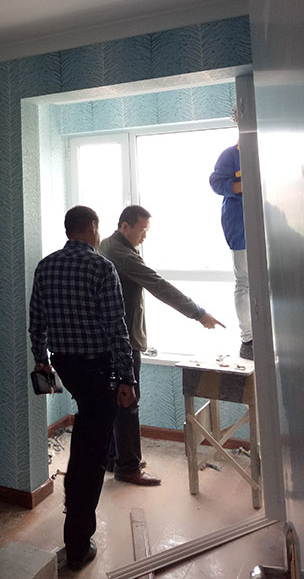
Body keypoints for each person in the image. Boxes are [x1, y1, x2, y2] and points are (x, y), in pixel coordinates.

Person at [29, 205, 136, 572]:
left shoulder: (46, 266)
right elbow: (116, 327)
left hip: (65, 365)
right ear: (92, 227)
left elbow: (37, 321)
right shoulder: (101, 268)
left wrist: (41, 360)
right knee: (91, 453)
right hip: (98, 368)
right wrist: (127, 378)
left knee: (87, 436)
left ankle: (73, 503)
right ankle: (77, 543)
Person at [99, 205, 223, 486]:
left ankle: (114, 458)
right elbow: (159, 286)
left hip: (111, 339)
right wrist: (198, 313)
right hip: (124, 340)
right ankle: (128, 468)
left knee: (117, 401)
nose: (145, 236)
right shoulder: (121, 255)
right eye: (142, 229)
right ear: (125, 226)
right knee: (128, 402)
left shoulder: (108, 246)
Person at [209, 112, 253, 360]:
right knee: (244, 282)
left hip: (270, 227)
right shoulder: (230, 155)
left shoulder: (266, 149)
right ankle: (248, 338)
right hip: (240, 227)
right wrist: (242, 186)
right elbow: (216, 182)